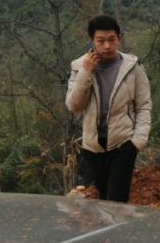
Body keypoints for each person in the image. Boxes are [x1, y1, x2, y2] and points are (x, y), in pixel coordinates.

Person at [65, 14, 152, 203]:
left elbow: (144, 105)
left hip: (123, 145)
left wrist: (137, 142)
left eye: (111, 40)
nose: (107, 46)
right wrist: (86, 73)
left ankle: (118, 232)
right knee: (103, 201)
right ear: (92, 41)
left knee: (116, 201)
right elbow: (74, 106)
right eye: (101, 41)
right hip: (92, 148)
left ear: (119, 38)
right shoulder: (79, 67)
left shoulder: (132, 67)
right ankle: (110, 232)